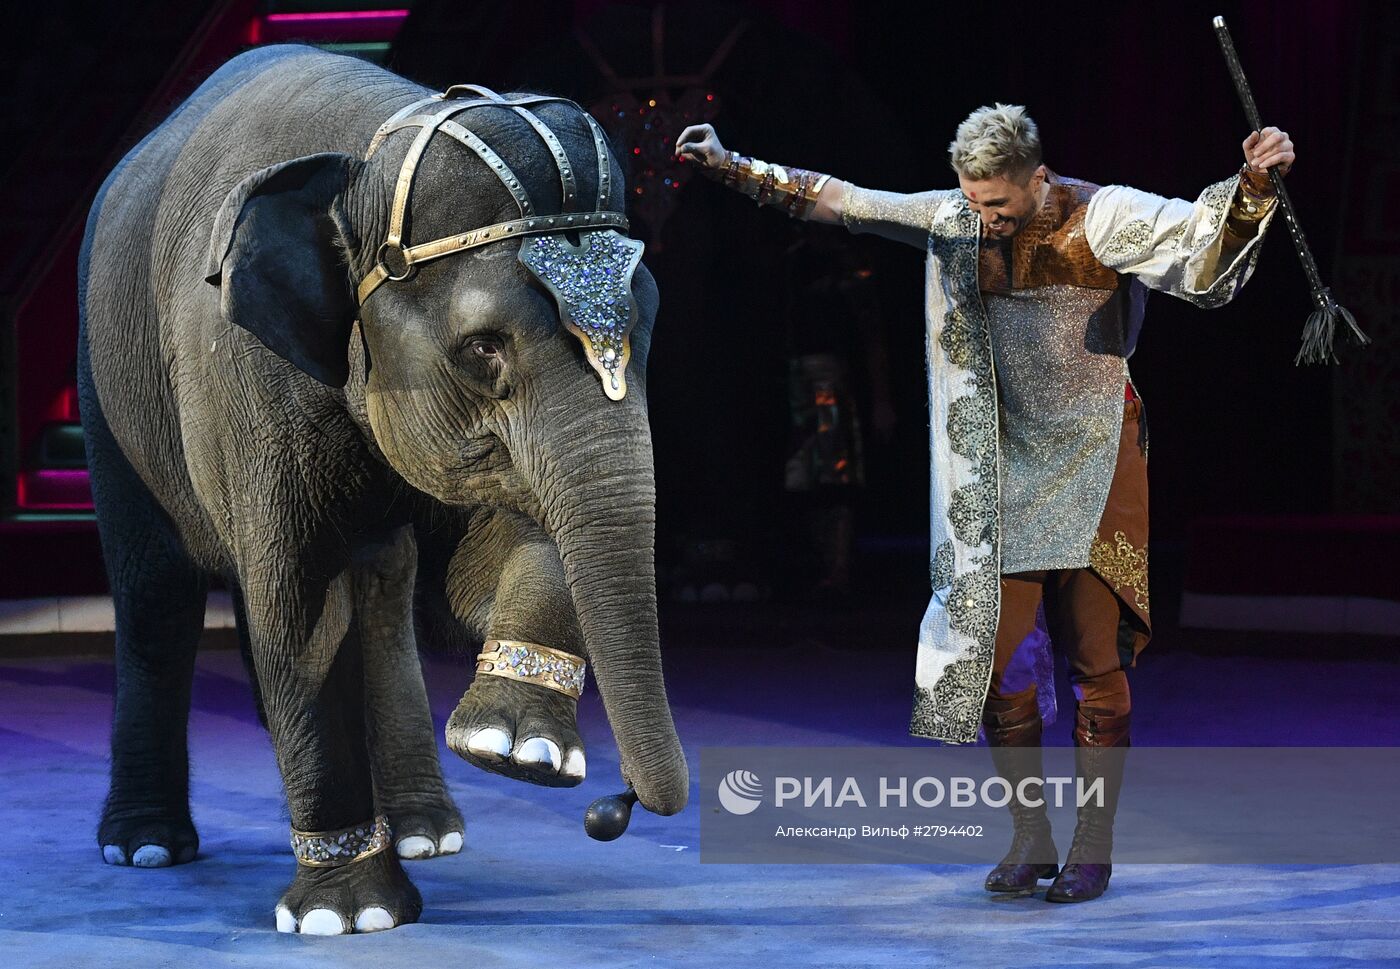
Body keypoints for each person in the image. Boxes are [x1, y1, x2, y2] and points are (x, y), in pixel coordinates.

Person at [676, 105, 1293, 902]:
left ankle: (1093, 846)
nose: (984, 218)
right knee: (995, 665)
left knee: (1093, 660)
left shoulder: (1104, 216)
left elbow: (1201, 251)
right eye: (973, 200)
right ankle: (1030, 837)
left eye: (998, 203)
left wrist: (1251, 184)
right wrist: (731, 164)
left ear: (1038, 178)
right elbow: (845, 201)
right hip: (1000, 471)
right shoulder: (955, 218)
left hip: (1096, 458)